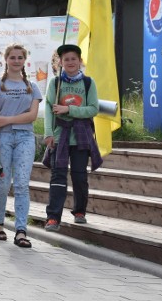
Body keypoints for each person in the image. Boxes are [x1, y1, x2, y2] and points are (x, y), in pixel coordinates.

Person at [0, 43, 42, 249]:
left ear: (24, 61)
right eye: (12, 57)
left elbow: (32, 116)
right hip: (3, 139)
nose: (16, 61)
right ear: (6, 59)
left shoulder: (32, 87)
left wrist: (7, 119)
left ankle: (21, 230)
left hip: (25, 137)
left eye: (20, 58)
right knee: (3, 183)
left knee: (21, 185)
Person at [44, 44, 102, 231]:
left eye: (73, 59)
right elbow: (48, 108)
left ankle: (79, 211)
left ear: (80, 61)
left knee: (79, 176)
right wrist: (48, 133)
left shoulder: (88, 83)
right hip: (61, 136)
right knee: (58, 176)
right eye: (66, 59)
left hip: (81, 136)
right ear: (60, 62)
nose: (70, 62)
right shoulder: (55, 83)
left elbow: (93, 109)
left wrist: (69, 109)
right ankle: (53, 217)